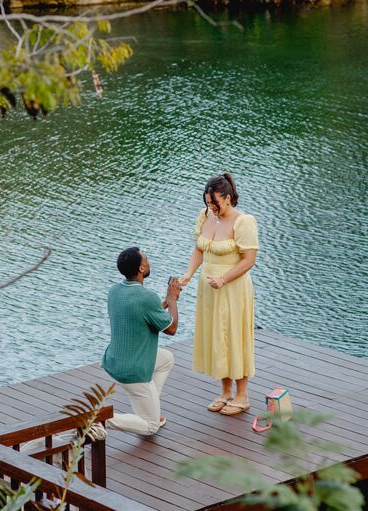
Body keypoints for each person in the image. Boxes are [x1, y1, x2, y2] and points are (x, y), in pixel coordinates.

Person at [179, 173, 259, 416]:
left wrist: (224, 279)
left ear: (227, 198)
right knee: (218, 337)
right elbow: (199, 249)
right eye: (207, 203)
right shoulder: (205, 217)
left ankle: (242, 395)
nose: (210, 208)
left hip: (233, 287)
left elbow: (249, 260)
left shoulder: (243, 221)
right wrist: (188, 275)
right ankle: (225, 392)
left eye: (214, 203)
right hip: (209, 287)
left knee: (235, 336)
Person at [102, 247, 182, 435]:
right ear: (141, 269)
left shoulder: (115, 291)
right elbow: (171, 329)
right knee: (150, 427)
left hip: (114, 361)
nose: (149, 262)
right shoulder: (146, 297)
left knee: (166, 358)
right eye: (146, 260)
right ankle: (99, 419)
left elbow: (145, 313)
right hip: (133, 371)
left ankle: (148, 407)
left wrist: (168, 301)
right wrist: (172, 299)